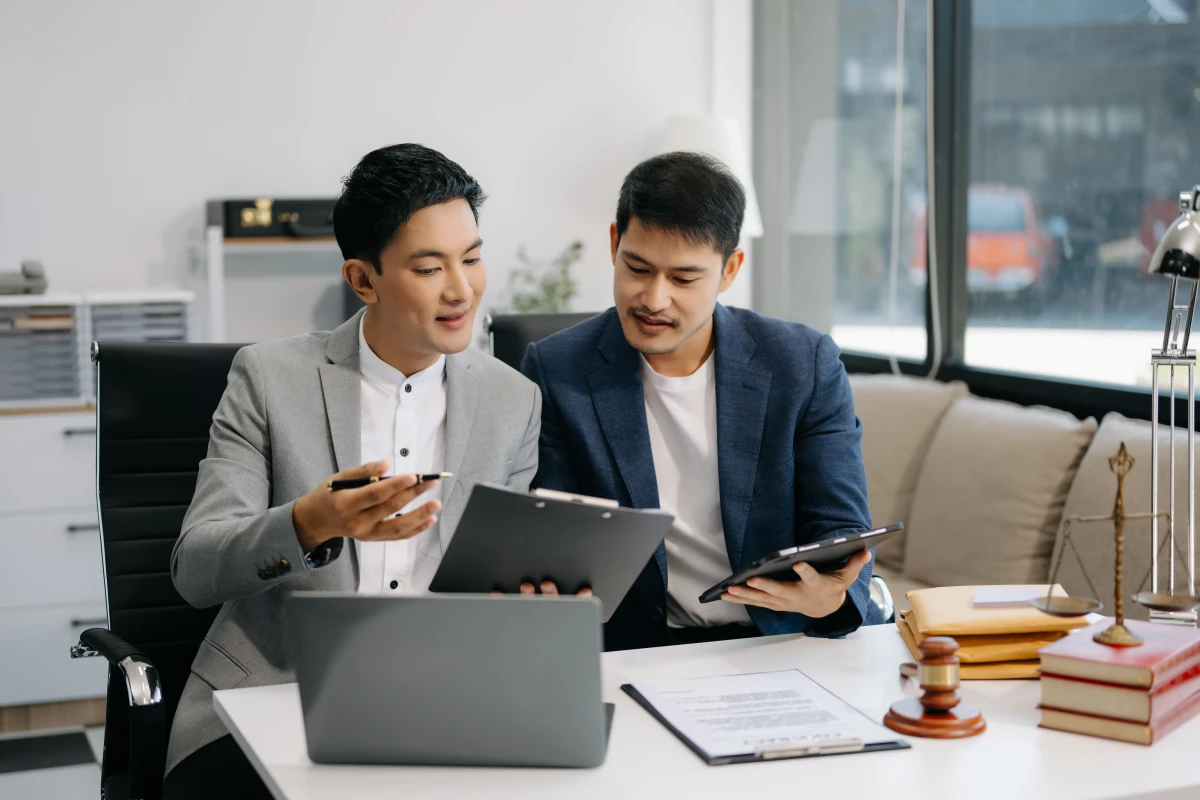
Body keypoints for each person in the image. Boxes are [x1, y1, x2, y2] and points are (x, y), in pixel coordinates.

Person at [163, 144, 541, 799]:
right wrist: (310, 523)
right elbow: (195, 568)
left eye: (473, 258)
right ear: (363, 281)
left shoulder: (514, 399)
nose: (462, 289)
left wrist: (531, 598)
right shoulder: (268, 378)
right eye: (429, 267)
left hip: (446, 700)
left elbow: (497, 574)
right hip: (279, 698)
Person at [521, 152, 882, 652]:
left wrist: (829, 598)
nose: (653, 298)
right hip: (640, 652)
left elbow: (841, 530)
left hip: (777, 642)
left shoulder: (802, 364)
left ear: (729, 269)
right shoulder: (557, 369)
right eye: (637, 267)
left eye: (684, 279)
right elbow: (552, 536)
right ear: (613, 243)